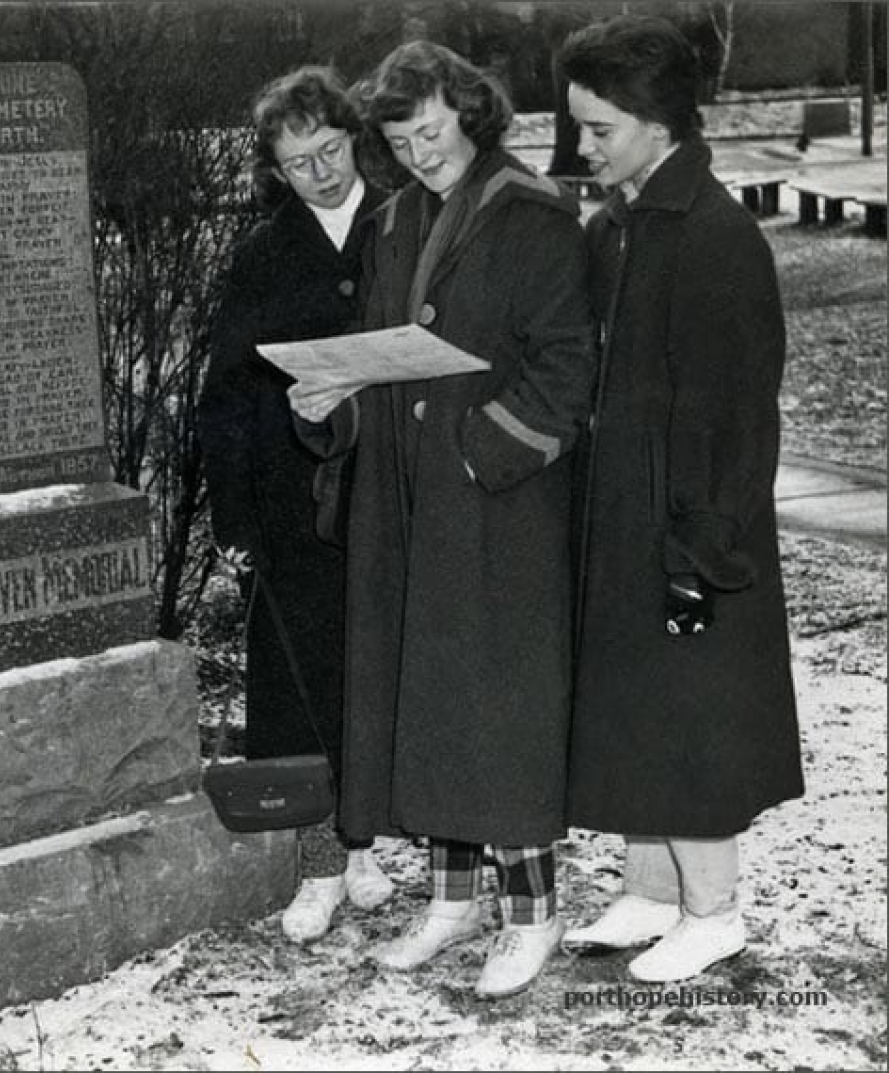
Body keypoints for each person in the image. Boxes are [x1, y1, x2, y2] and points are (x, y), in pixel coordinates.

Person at [290, 41, 596, 998]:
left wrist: (479, 454)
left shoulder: (537, 218)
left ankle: (533, 912)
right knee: (426, 699)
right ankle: (454, 896)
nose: (419, 154)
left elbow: (565, 372)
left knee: (500, 707)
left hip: (498, 507)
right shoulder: (395, 219)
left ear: (470, 112)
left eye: (429, 133)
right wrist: (330, 398)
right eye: (401, 140)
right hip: (407, 501)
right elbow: (381, 357)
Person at [557, 14, 805, 984]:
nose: (582, 146)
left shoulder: (712, 236)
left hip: (688, 524)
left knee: (687, 713)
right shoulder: (618, 227)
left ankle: (712, 908)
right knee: (633, 708)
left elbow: (737, 418)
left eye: (599, 129)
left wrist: (698, 551)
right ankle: (650, 886)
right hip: (624, 513)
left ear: (658, 125)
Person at [197, 66, 393, 944]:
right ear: (275, 172)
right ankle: (321, 865)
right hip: (292, 500)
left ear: (355, 136)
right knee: (300, 680)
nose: (320, 172)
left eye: (330, 148)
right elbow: (227, 395)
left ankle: (372, 843)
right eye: (297, 162)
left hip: (389, 486)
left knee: (381, 671)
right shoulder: (262, 253)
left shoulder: (404, 223)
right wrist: (234, 517)